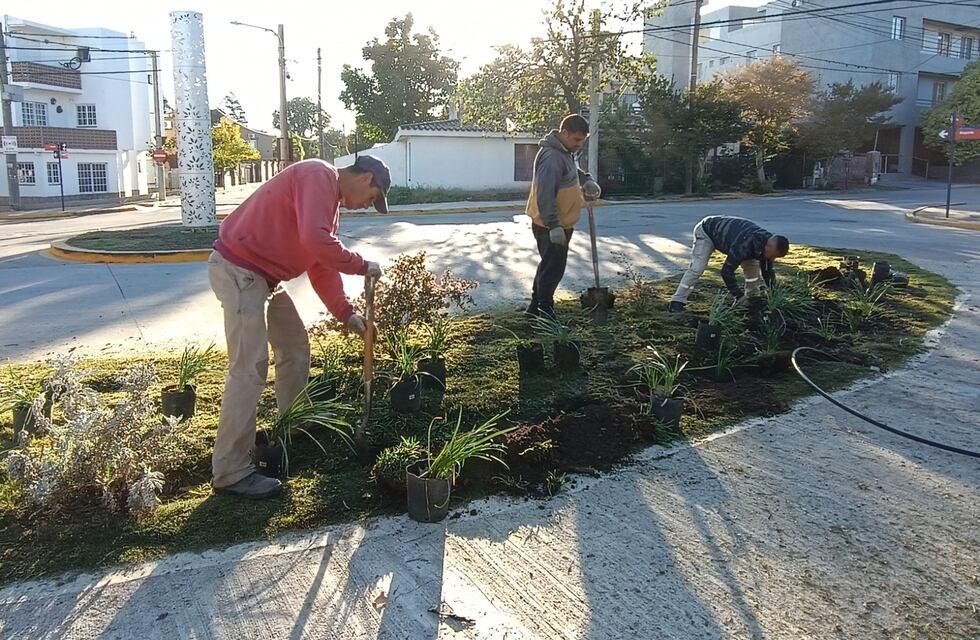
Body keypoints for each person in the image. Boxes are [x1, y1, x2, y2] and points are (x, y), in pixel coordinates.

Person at [207, 156, 389, 499]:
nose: (368, 205)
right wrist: (363, 266)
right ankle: (230, 471)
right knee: (249, 369)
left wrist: (346, 314)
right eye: (373, 197)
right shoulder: (318, 175)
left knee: (294, 346)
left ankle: (293, 424)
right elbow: (315, 240)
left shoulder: (328, 201)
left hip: (264, 277)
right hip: (240, 271)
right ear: (366, 178)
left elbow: (320, 264)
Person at [525, 113, 601, 319]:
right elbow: (545, 193)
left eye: (582, 141)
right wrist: (554, 225)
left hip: (560, 222)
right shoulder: (552, 157)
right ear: (564, 132)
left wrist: (586, 179)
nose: (579, 145)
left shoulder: (565, 151)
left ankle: (534, 307)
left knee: (548, 264)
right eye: (576, 140)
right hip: (550, 223)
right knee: (553, 267)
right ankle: (545, 310)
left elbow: (572, 171)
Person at [668, 215, 789, 312]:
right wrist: (738, 295)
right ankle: (677, 301)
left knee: (753, 274)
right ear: (768, 247)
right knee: (697, 268)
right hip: (707, 231)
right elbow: (726, 272)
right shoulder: (743, 245)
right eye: (772, 256)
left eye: (775, 257)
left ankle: (751, 301)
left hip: (736, 239)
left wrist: (775, 295)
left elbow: (767, 272)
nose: (772, 259)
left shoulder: (768, 246)